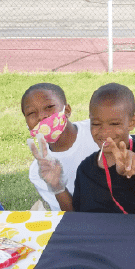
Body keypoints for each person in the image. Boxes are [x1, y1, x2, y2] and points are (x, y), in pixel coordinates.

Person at [71, 83, 135, 214]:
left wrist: (133, 162)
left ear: (132, 122)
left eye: (114, 124)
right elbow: (78, 214)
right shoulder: (85, 169)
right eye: (96, 124)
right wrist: (57, 188)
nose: (105, 131)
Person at [22, 82, 98, 211]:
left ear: (67, 110)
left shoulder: (98, 131)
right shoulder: (40, 172)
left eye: (49, 107)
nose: (41, 116)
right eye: (31, 113)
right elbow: (72, 219)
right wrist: (57, 187)